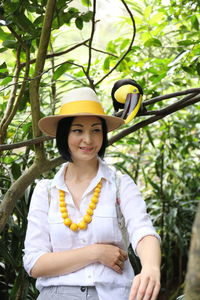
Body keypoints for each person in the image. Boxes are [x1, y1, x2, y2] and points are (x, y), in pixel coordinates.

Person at [23, 87, 161, 300]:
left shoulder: (119, 183)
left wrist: (151, 268)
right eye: (77, 130)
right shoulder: (46, 191)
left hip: (112, 294)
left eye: (96, 130)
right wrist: (95, 253)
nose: (88, 139)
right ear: (64, 134)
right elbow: (34, 263)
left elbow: (142, 230)